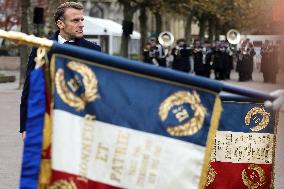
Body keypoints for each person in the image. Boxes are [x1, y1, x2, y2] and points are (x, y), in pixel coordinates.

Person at [20, 2, 101, 140]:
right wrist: (25, 126)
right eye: (75, 20)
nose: (81, 24)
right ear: (60, 24)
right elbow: (30, 89)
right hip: (49, 120)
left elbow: (100, 89)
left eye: (82, 20)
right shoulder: (41, 49)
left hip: (82, 123)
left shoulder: (94, 51)